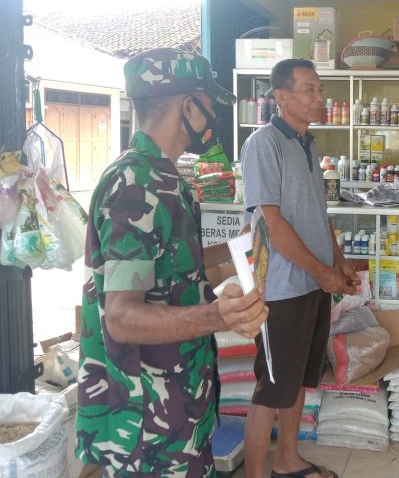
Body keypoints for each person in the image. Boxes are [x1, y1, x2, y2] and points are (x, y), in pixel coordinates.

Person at [76, 48, 269, 476]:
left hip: (178, 402)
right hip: (146, 423)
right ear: (189, 105)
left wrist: (237, 248)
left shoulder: (163, 178)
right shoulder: (136, 185)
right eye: (210, 105)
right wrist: (220, 316)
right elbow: (122, 318)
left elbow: (168, 266)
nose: (213, 118)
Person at [241, 58, 358, 478]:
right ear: (281, 96)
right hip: (281, 288)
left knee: (296, 381)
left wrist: (337, 262)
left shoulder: (309, 145)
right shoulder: (263, 144)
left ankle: (287, 462)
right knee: (271, 387)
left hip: (312, 284)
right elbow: (272, 223)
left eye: (320, 89)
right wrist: (321, 272)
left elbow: (316, 213)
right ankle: (256, 473)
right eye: (308, 89)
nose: (319, 97)